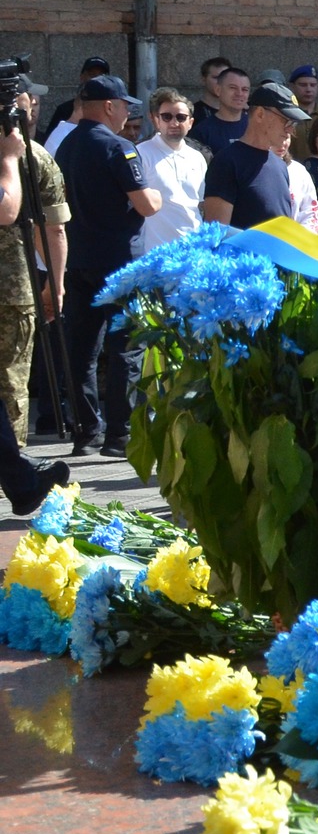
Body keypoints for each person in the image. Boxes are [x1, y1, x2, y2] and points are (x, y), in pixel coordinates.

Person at [53, 75, 162, 457]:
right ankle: (119, 436)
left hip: (79, 260)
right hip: (119, 263)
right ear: (110, 106)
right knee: (126, 349)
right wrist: (157, 196)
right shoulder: (118, 147)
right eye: (125, 106)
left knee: (82, 351)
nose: (128, 114)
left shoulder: (65, 146)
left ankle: (86, 433)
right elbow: (146, 204)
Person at [0, 125, 68, 517]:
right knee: (10, 387)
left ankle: (19, 478)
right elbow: (51, 227)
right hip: (12, 291)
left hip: (13, 293)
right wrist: (55, 286)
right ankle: (18, 476)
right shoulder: (27, 153)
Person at [201, 81, 309, 230]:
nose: (290, 130)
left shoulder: (280, 165)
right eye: (286, 121)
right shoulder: (226, 162)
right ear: (260, 114)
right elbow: (216, 233)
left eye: (294, 123)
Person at [136, 88, 206, 251]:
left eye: (181, 117)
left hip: (193, 252)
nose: (174, 123)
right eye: (167, 117)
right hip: (154, 254)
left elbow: (200, 206)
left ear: (190, 123)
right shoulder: (141, 154)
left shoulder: (198, 158)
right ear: (156, 120)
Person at [40, 55, 113, 140]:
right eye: (92, 75)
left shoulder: (114, 109)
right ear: (82, 77)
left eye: (101, 75)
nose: (97, 79)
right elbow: (51, 141)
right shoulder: (65, 110)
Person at [189, 66, 252, 156]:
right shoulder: (202, 132)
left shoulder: (257, 127)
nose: (239, 93)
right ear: (218, 90)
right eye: (233, 88)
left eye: (245, 89)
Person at [192, 56, 232, 122]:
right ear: (204, 80)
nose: (221, 81)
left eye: (225, 77)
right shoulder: (193, 113)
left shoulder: (239, 112)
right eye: (216, 77)